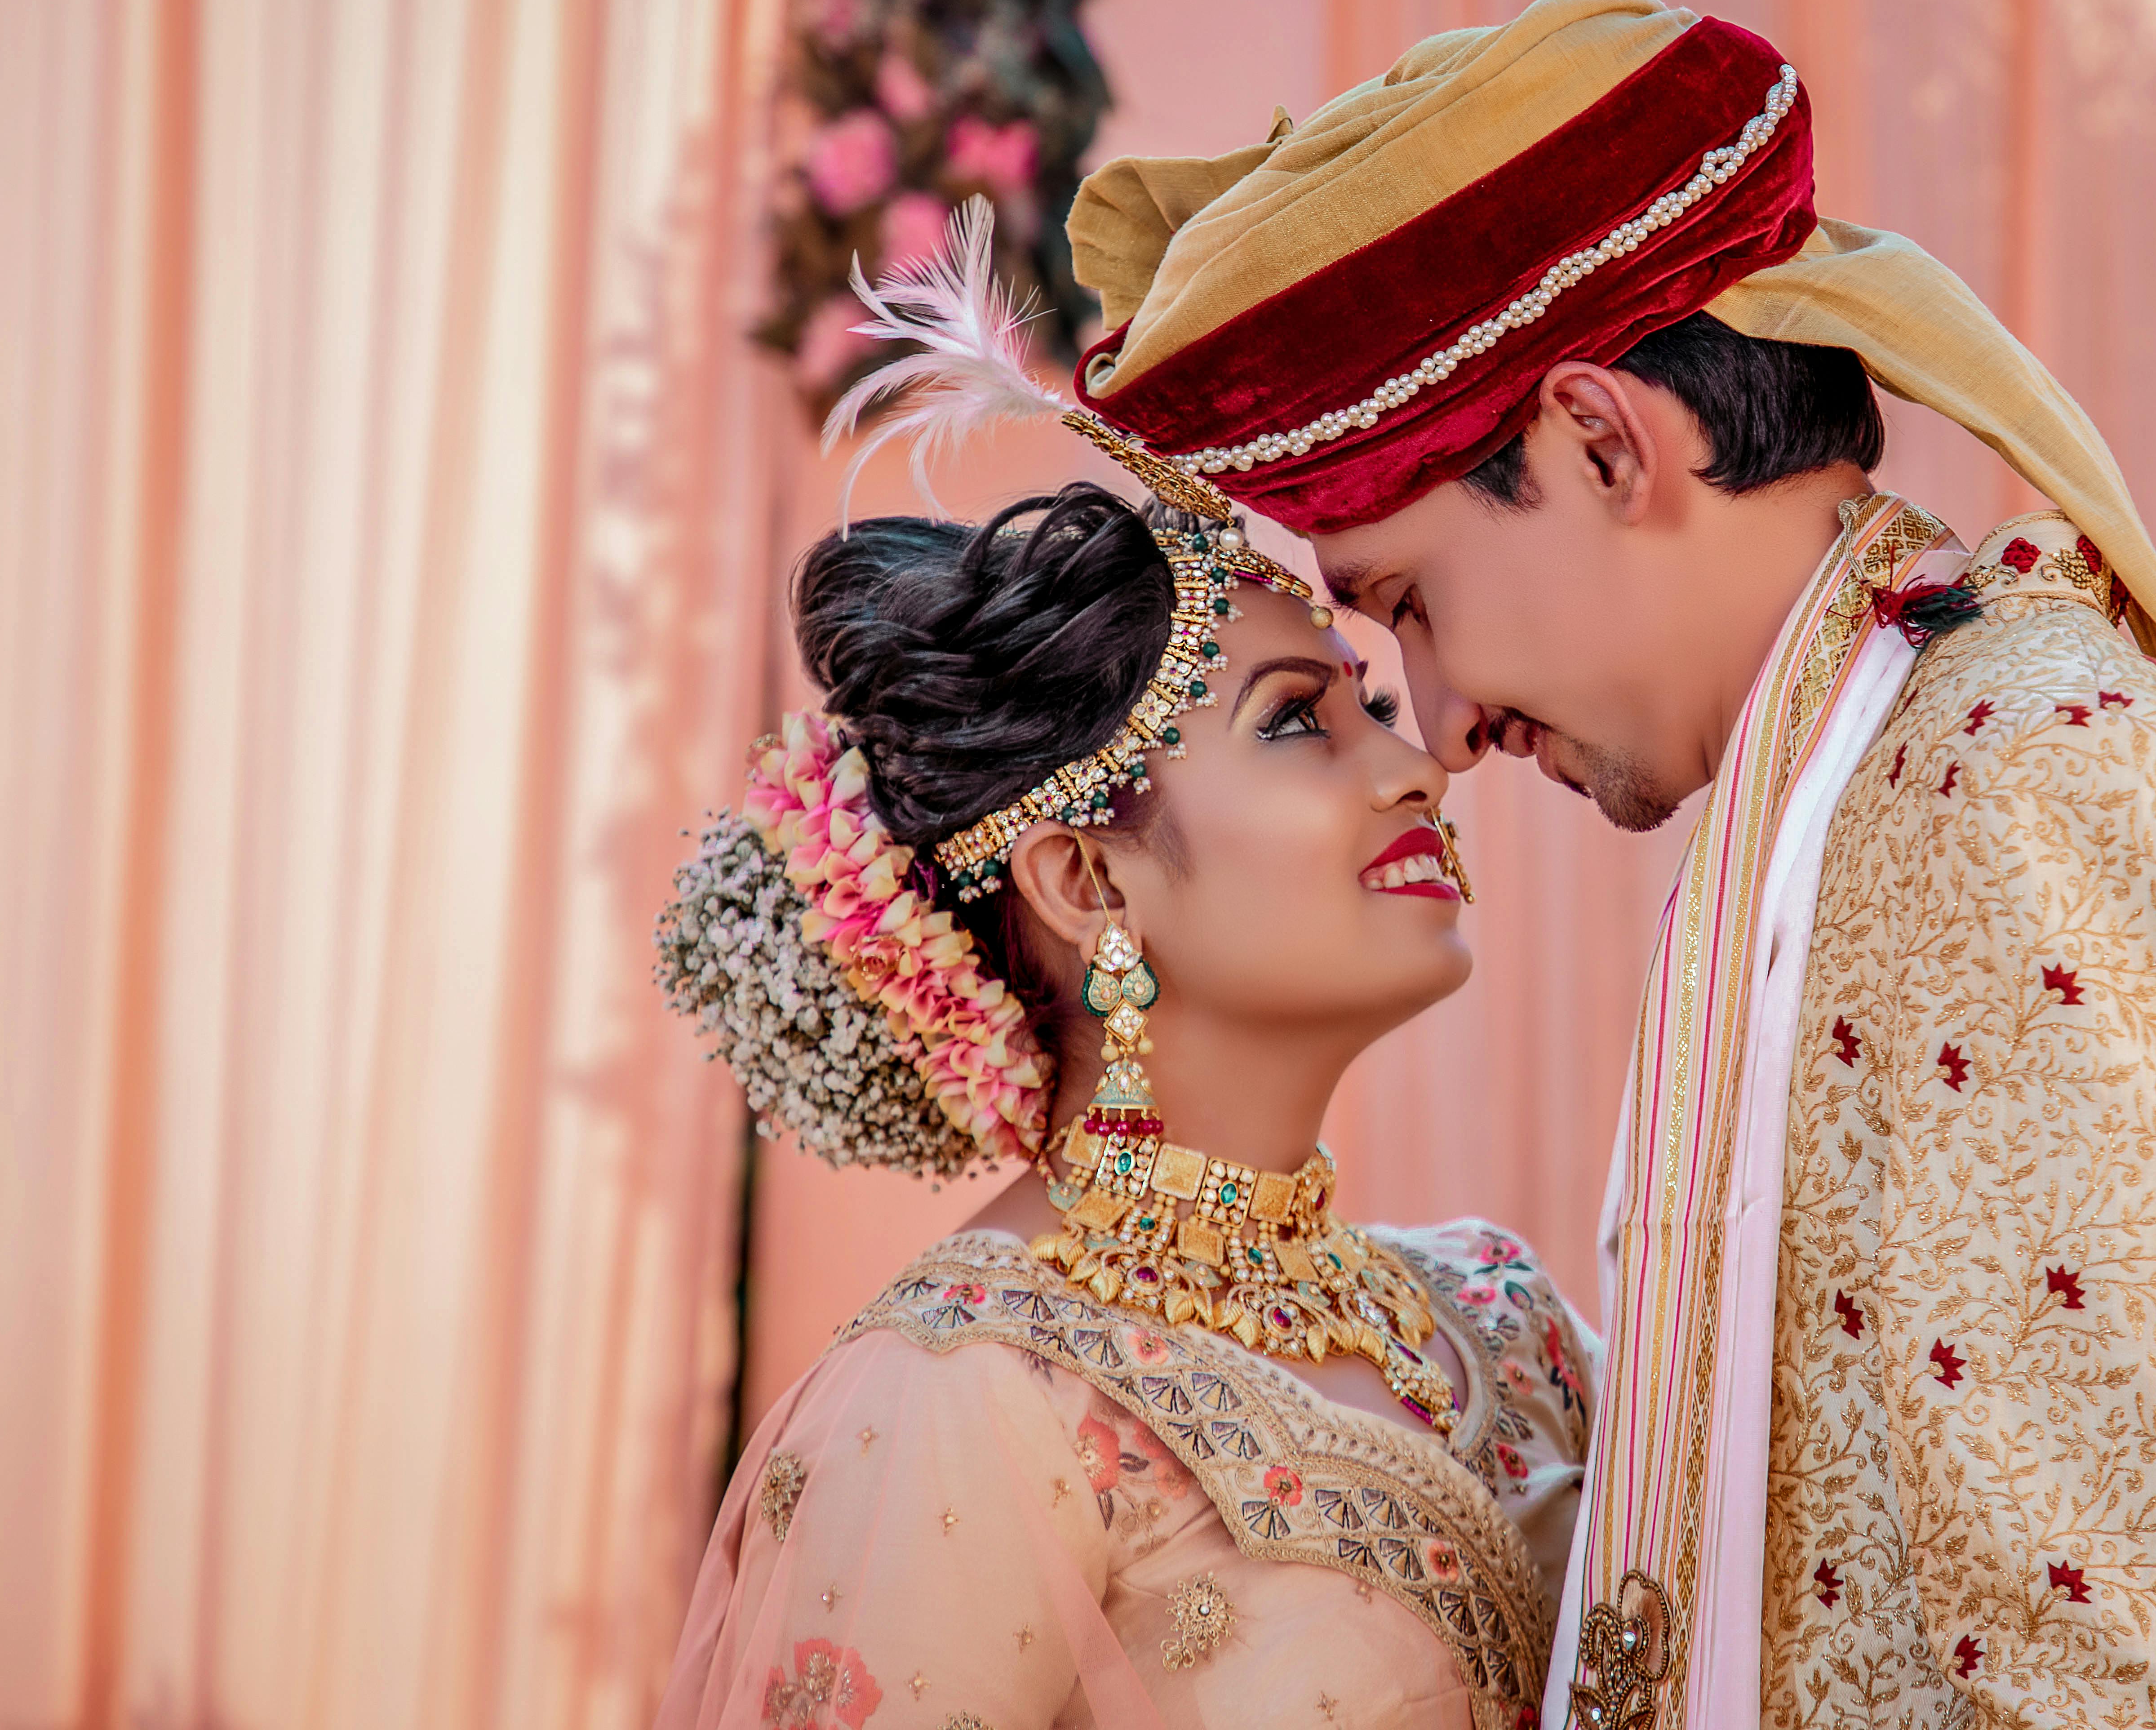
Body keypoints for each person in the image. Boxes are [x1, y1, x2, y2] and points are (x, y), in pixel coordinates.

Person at [1055, 0, 2156, 1728]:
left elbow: (2132, 1669)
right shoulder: (1860, 783)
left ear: (1605, 443)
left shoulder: (2023, 778)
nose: (1441, 725)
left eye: (1411, 605)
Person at [650, 462, 1595, 1728]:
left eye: (1372, 704)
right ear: (1087, 883)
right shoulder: (966, 1393)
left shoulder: (1505, 1321)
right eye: (1297, 721)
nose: (1416, 768)